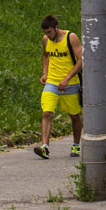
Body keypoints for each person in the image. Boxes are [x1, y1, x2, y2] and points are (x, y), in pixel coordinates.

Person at [34, 15, 83, 159]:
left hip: (71, 83)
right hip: (52, 82)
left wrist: (67, 78)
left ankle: (76, 145)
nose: (47, 36)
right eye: (45, 33)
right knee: (47, 113)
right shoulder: (46, 40)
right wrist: (45, 73)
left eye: (49, 32)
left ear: (56, 28)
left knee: (74, 116)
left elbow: (81, 60)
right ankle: (45, 147)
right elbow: (45, 55)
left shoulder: (71, 37)